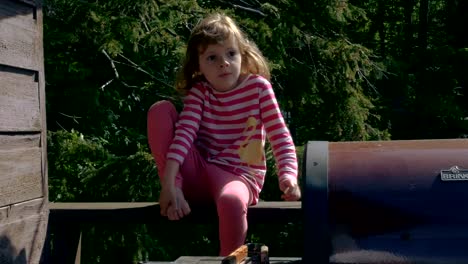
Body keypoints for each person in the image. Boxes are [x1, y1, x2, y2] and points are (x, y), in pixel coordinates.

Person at [147, 12, 301, 256]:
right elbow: (184, 135)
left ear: (242, 54)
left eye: (231, 54)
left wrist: (288, 176)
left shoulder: (258, 88)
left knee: (231, 200)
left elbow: (280, 136)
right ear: (198, 66)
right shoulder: (200, 93)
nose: (224, 63)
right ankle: (173, 192)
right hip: (199, 173)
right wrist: (169, 184)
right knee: (160, 111)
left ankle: (228, 259)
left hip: (239, 175)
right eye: (212, 57)